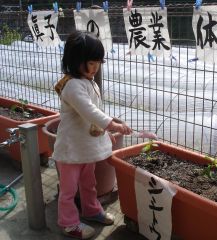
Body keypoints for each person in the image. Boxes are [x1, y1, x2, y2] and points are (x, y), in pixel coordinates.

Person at [52, 30, 132, 239]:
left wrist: (106, 133)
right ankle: (69, 223)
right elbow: (90, 111)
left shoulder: (90, 83)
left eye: (98, 63)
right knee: (68, 190)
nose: (95, 68)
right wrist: (111, 124)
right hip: (71, 149)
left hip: (85, 147)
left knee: (89, 182)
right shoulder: (72, 86)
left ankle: (91, 210)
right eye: (91, 63)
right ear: (75, 60)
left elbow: (94, 116)